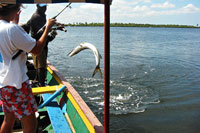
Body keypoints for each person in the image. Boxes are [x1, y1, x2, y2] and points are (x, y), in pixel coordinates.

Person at [0, 3, 56, 133]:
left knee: (8, 120)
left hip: (4, 85)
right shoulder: (12, 29)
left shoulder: (7, 28)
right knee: (31, 124)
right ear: (15, 10)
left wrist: (15, 22)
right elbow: (36, 49)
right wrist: (47, 28)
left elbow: (8, 43)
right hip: (17, 86)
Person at [27, 4, 56, 87]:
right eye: (42, 6)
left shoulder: (41, 16)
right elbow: (37, 34)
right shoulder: (36, 17)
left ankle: (37, 80)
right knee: (41, 66)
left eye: (45, 6)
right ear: (37, 6)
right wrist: (50, 35)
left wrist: (54, 28)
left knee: (40, 65)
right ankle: (42, 85)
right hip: (38, 45)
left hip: (42, 44)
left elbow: (42, 30)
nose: (45, 8)